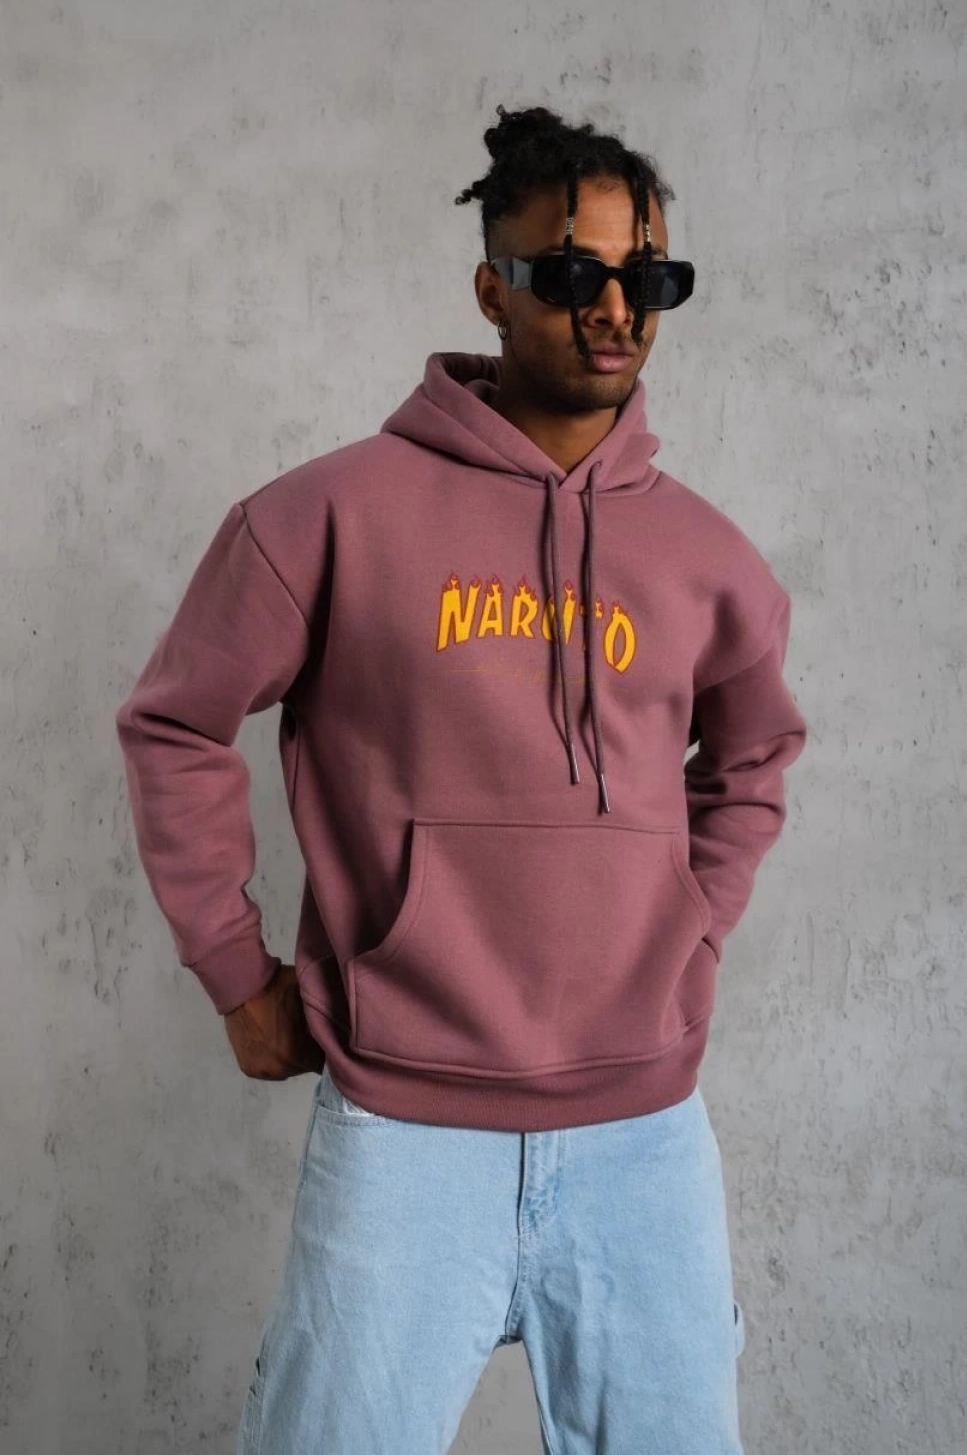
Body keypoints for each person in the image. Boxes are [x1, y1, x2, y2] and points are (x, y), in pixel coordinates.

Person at [116, 103, 808, 1455]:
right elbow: (176, 723)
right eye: (572, 273)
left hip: (644, 1138)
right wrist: (235, 972)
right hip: (404, 1130)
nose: (614, 310)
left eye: (648, 277)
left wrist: (691, 926)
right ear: (492, 288)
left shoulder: (709, 560)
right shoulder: (326, 517)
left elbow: (756, 756)